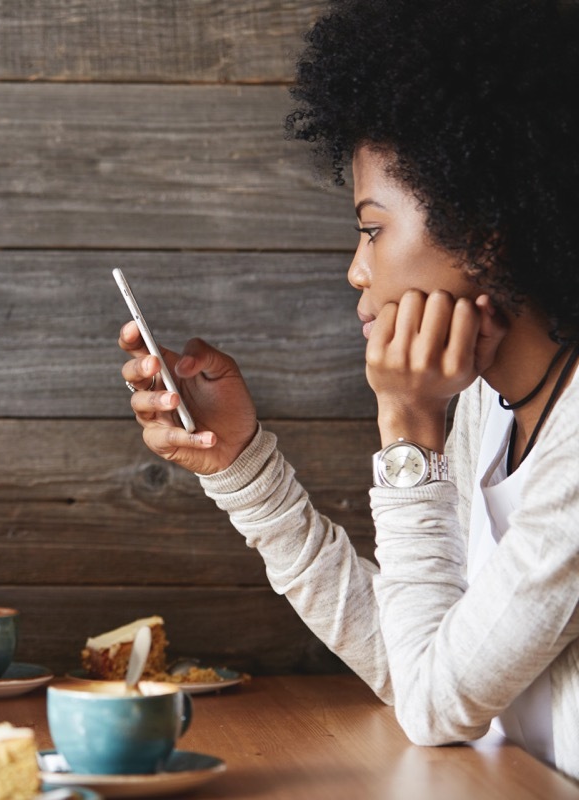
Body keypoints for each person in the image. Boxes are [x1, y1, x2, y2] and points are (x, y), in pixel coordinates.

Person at [118, 0, 579, 781]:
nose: (356, 270)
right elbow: (421, 664)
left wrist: (408, 429)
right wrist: (242, 467)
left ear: (487, 231)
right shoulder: (488, 408)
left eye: (372, 228)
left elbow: (433, 709)